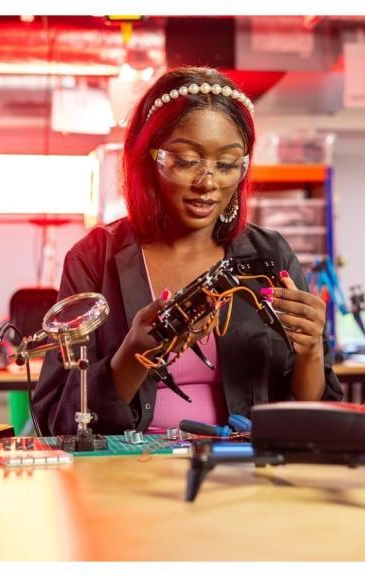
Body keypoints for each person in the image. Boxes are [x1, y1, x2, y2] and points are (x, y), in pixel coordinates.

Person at [33, 66, 343, 435]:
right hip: (128, 465)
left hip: (243, 463)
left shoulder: (270, 255)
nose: (208, 182)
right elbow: (58, 419)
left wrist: (311, 351)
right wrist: (134, 353)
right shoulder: (94, 258)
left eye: (226, 164)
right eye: (185, 161)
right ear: (149, 159)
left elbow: (311, 410)